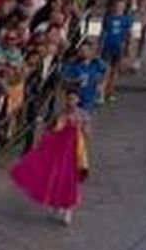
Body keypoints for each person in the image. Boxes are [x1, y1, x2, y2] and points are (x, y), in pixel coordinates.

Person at [10, 88, 88, 226]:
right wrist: (44, 124)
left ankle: (68, 209)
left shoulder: (83, 115)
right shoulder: (61, 114)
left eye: (73, 99)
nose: (70, 102)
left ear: (78, 100)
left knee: (70, 179)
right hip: (58, 150)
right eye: (69, 98)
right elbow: (51, 129)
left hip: (74, 151)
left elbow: (87, 134)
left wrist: (79, 125)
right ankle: (58, 202)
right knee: (56, 176)